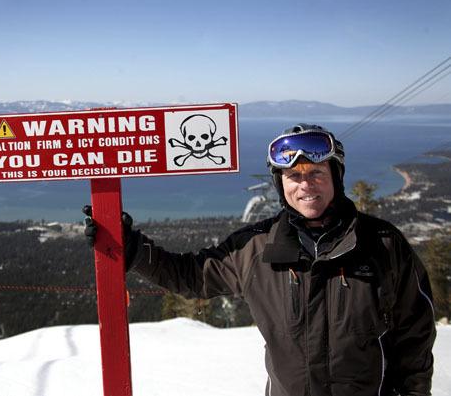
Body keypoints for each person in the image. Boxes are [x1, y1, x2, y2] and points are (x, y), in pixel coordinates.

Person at [83, 123, 436, 396]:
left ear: (336, 177)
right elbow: (191, 276)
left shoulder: (382, 244)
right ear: (280, 184)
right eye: (293, 176)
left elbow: (415, 332)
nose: (305, 185)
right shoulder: (256, 248)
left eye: (316, 173)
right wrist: (131, 249)